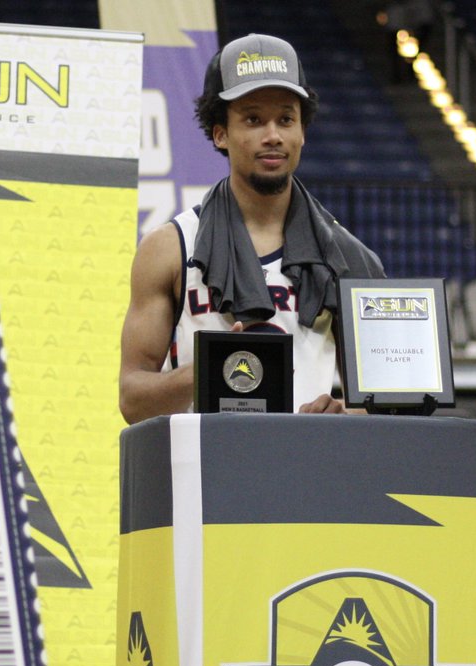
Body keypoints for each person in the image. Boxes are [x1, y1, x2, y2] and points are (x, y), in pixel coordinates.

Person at [118, 33, 386, 425]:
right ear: (220, 133)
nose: (273, 135)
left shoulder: (351, 259)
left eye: (286, 119)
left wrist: (343, 415)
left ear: (302, 132)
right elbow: (132, 400)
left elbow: (382, 404)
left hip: (305, 476)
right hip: (200, 477)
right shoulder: (169, 248)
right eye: (253, 119)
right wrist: (212, 369)